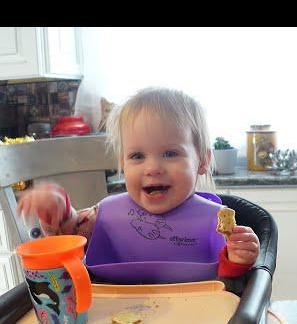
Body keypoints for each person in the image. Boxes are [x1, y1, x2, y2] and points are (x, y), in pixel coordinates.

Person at [18, 87, 259, 279]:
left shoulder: (217, 222)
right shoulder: (103, 215)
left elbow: (227, 286)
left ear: (202, 161)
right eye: (137, 156)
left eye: (170, 154)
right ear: (123, 163)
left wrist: (238, 259)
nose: (152, 168)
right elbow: (66, 234)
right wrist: (55, 210)